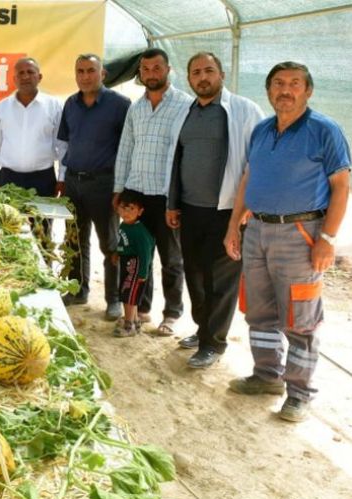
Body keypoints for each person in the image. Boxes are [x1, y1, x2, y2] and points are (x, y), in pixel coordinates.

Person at [224, 61, 350, 422]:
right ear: (268, 91)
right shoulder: (262, 130)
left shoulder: (325, 130)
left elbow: (342, 185)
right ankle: (267, 376)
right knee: (260, 311)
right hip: (258, 230)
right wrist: (235, 225)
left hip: (300, 234)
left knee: (300, 318)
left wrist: (327, 238)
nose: (286, 90)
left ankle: (299, 392)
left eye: (295, 83)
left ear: (308, 91)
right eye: (278, 83)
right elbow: (249, 179)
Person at [165, 53, 264, 369]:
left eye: (209, 71)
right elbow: (176, 160)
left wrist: (244, 211)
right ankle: (202, 329)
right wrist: (173, 203)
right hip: (191, 210)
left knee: (220, 280)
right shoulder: (187, 112)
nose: (202, 77)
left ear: (221, 74)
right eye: (196, 72)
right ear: (189, 78)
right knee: (194, 273)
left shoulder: (243, 110)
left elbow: (255, 163)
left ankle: (214, 344)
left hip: (228, 212)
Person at [113, 48, 193, 336]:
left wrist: (182, 196)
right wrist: (119, 190)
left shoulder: (185, 104)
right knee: (136, 256)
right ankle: (141, 310)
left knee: (172, 258)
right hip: (136, 194)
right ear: (140, 74)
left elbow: (187, 152)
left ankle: (171, 313)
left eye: (156, 68)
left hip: (167, 195)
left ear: (168, 70)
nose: (151, 74)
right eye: (145, 70)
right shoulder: (136, 108)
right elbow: (125, 150)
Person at [57, 53, 131, 319]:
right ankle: (78, 290)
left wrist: (121, 188)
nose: (85, 76)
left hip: (104, 184)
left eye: (91, 70)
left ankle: (114, 299)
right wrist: (63, 179)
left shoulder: (120, 105)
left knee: (110, 244)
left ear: (103, 74)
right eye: (80, 71)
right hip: (74, 182)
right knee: (75, 241)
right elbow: (66, 143)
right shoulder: (70, 104)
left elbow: (128, 147)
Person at [0, 57, 66, 245]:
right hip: (8, 180)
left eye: (30, 72)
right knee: (8, 233)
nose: (25, 76)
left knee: (42, 234)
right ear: (14, 79)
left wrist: (62, 177)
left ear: (39, 77)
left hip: (43, 180)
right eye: (20, 73)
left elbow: (62, 145)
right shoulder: (3, 106)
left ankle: (44, 271)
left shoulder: (53, 105)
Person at [112, 190, 155, 337]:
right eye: (123, 208)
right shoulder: (124, 225)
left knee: (129, 296)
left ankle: (128, 325)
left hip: (135, 266)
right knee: (128, 294)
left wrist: (143, 273)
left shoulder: (139, 231)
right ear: (117, 208)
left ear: (140, 211)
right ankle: (135, 321)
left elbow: (145, 254)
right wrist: (118, 252)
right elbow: (123, 242)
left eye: (131, 209)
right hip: (127, 262)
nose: (126, 212)